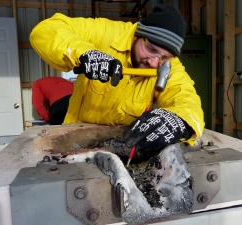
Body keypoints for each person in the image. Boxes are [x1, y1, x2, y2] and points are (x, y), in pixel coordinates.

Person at [30, 4, 205, 157]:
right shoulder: (107, 33)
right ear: (137, 35)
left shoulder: (168, 66)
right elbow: (45, 30)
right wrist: (84, 53)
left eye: (164, 57)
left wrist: (179, 120)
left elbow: (186, 99)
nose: (154, 62)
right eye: (150, 49)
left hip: (126, 145)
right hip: (77, 141)